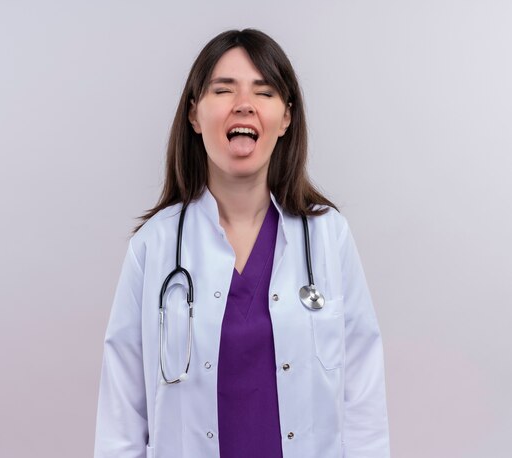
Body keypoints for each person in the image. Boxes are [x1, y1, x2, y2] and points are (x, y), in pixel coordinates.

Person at [94, 29, 390, 458]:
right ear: (194, 114)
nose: (244, 103)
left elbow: (364, 397)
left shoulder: (327, 236)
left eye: (264, 91)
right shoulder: (153, 246)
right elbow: (121, 415)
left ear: (286, 117)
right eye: (223, 89)